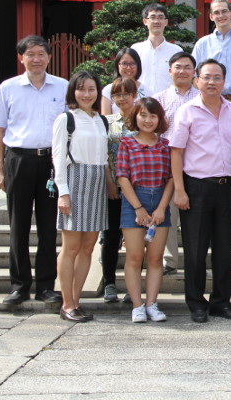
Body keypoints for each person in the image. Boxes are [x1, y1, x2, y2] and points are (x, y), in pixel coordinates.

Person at [0, 35, 68, 306]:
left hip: (50, 163)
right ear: (21, 58)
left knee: (48, 227)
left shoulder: (62, 86)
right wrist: (0, 170)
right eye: (30, 54)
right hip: (18, 160)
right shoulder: (8, 88)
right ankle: (19, 285)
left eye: (41, 54)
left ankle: (46, 286)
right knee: (18, 226)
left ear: (49, 57)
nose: (36, 59)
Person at [170, 59, 231, 323]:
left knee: (224, 248)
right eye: (207, 77)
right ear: (196, 81)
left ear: (224, 82)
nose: (212, 82)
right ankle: (196, 303)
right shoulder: (187, 111)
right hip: (197, 187)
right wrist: (179, 190)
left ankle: (221, 302)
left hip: (226, 187)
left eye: (217, 78)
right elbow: (176, 152)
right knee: (196, 248)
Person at [52, 71, 109, 322]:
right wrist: (63, 192)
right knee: (71, 247)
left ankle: (77, 300)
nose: (87, 94)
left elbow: (105, 158)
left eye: (92, 89)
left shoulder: (101, 120)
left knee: (88, 246)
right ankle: (66, 303)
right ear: (73, 91)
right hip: (75, 182)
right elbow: (58, 158)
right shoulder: (66, 119)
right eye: (81, 88)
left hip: (96, 184)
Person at [115, 97, 174, 323]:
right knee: (134, 257)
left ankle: (152, 304)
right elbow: (122, 176)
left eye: (152, 116)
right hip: (134, 201)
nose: (148, 120)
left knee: (156, 258)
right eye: (143, 115)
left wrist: (161, 208)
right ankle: (137, 305)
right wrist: (138, 208)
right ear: (135, 117)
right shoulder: (127, 143)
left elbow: (171, 179)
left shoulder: (166, 145)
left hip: (160, 200)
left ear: (159, 119)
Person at [153, 52, 199, 276]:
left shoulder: (202, 97)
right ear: (170, 71)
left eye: (187, 67)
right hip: (167, 164)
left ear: (194, 72)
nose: (182, 71)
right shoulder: (159, 99)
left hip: (197, 164)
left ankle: (194, 258)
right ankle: (169, 260)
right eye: (178, 67)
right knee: (168, 214)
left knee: (196, 216)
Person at [102, 77, 138, 303]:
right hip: (113, 188)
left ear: (135, 95)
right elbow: (101, 155)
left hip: (138, 190)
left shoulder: (143, 120)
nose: (122, 98)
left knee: (135, 240)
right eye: (117, 94)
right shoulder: (106, 122)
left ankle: (132, 286)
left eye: (126, 93)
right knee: (111, 237)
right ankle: (109, 283)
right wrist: (108, 183)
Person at [133, 2, 183, 96]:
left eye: (160, 17)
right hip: (140, 102)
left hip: (168, 102)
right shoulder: (136, 49)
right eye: (152, 17)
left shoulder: (176, 51)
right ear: (145, 21)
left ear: (166, 22)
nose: (157, 21)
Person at [101, 47, 148, 115]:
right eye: (124, 63)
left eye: (132, 64)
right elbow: (106, 119)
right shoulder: (108, 90)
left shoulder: (147, 92)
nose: (128, 68)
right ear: (118, 65)